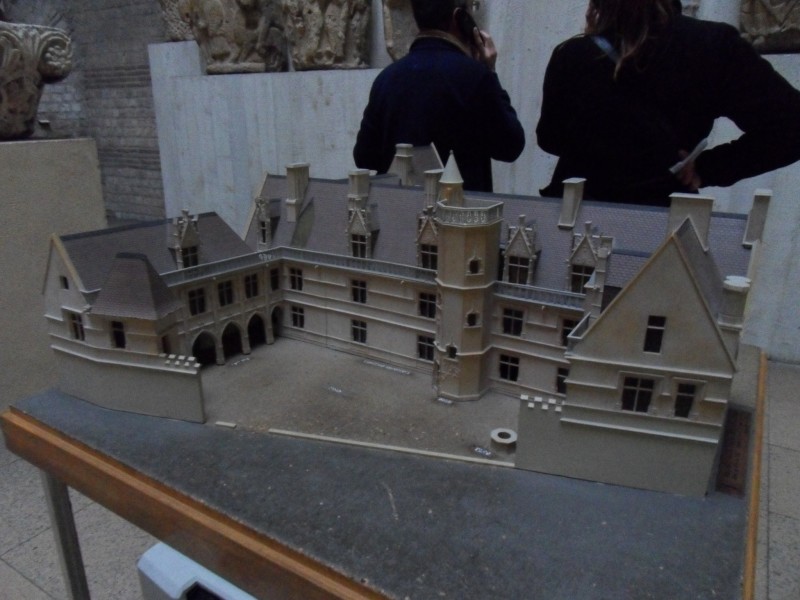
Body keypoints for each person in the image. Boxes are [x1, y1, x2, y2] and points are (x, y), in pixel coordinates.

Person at [536, 0, 800, 205]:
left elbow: (550, 139)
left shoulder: (572, 55)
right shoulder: (714, 45)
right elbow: (792, 127)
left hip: (578, 219)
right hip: (662, 221)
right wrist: (706, 169)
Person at [353, 0, 525, 192]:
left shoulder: (385, 79)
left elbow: (364, 157)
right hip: (458, 207)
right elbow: (511, 146)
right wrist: (490, 71)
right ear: (460, 18)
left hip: (400, 206)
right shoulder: (475, 76)